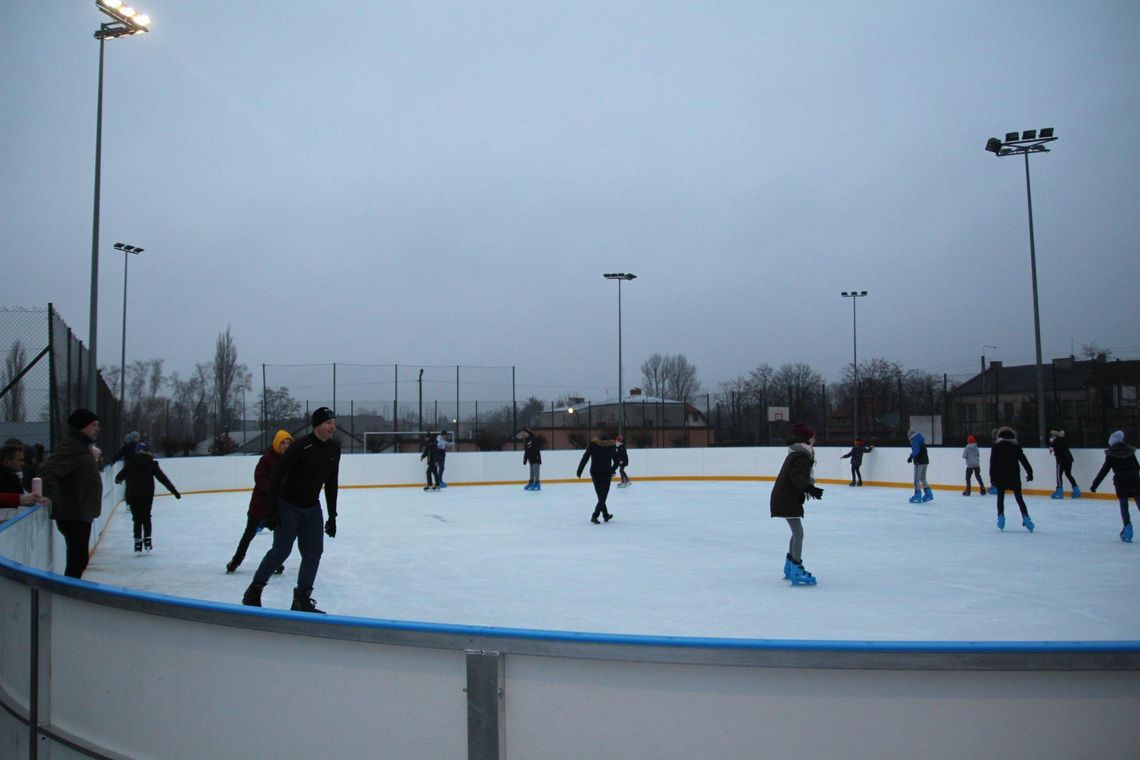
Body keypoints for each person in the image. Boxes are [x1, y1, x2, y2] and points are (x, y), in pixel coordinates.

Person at [242, 407, 341, 614]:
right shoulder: (300, 446)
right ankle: (254, 590)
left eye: (333, 422)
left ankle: (301, 599)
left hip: (312, 508)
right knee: (281, 551)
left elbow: (332, 483)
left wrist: (332, 516)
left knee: (313, 553)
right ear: (318, 425)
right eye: (329, 423)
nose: (333, 427)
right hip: (288, 506)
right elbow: (277, 476)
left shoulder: (334, 449)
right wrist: (273, 510)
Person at [38, 409, 104, 578]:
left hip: (80, 512)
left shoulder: (81, 447)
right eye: (94, 425)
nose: (98, 429)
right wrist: (48, 494)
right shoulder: (72, 447)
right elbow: (48, 469)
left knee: (80, 559)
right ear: (82, 427)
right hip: (74, 513)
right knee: (77, 559)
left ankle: (72, 591)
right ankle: (69, 595)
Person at [227, 429, 293, 573]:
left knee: (279, 536)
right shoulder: (266, 459)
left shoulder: (290, 459)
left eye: (288, 443)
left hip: (277, 505)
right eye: (283, 443)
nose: (286, 446)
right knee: (249, 533)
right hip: (260, 503)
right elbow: (260, 479)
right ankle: (236, 560)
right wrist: (274, 489)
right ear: (276, 443)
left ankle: (275, 562)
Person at [770, 422, 824, 585]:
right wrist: (810, 488)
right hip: (787, 498)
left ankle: (790, 565)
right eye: (812, 436)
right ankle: (796, 567)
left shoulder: (796, 453)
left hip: (785, 497)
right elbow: (796, 477)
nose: (815, 438)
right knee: (798, 533)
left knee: (796, 532)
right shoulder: (802, 455)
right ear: (806, 439)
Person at [114, 441, 181, 552]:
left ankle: (138, 542)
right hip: (147, 494)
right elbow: (163, 479)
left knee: (136, 519)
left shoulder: (131, 463)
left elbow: (119, 476)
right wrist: (174, 491)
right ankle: (148, 539)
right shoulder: (152, 463)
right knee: (146, 516)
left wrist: (118, 480)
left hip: (133, 494)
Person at [1089, 430, 1139, 543]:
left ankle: (1127, 529)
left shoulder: (1112, 454)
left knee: (1124, 505)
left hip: (1121, 481)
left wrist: (1094, 485)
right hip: (1134, 479)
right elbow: (1137, 466)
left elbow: (1104, 470)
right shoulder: (1130, 451)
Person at [989, 426, 1035, 532]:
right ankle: (1026, 517)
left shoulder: (996, 446)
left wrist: (992, 478)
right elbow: (1024, 460)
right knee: (1019, 499)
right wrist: (1030, 472)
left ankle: (1001, 517)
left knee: (1000, 498)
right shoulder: (1015, 446)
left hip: (1001, 477)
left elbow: (992, 463)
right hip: (1014, 477)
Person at [577, 432, 617, 524]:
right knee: (603, 497)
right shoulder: (610, 446)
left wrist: (579, 470)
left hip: (595, 473)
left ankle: (605, 515)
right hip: (606, 473)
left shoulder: (593, 445)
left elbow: (585, 457)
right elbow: (617, 461)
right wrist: (612, 469)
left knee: (600, 496)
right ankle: (595, 515)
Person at [1, 442, 48, 520]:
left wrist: (34, 499)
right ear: (6, 462)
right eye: (19, 460)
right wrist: (18, 499)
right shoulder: (6, 477)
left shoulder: (12, 476)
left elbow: (22, 495)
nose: (22, 463)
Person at [1047, 429, 1081, 499]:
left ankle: (1059, 492)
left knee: (1059, 475)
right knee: (1068, 474)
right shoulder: (1062, 438)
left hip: (1061, 459)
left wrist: (1051, 446)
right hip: (1069, 458)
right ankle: (1076, 490)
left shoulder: (1054, 439)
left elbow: (1052, 447)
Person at [906, 429, 933, 503]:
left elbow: (916, 451)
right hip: (925, 461)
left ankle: (917, 495)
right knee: (923, 478)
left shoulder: (915, 441)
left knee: (916, 479)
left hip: (919, 462)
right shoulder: (920, 439)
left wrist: (910, 457)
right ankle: (928, 494)